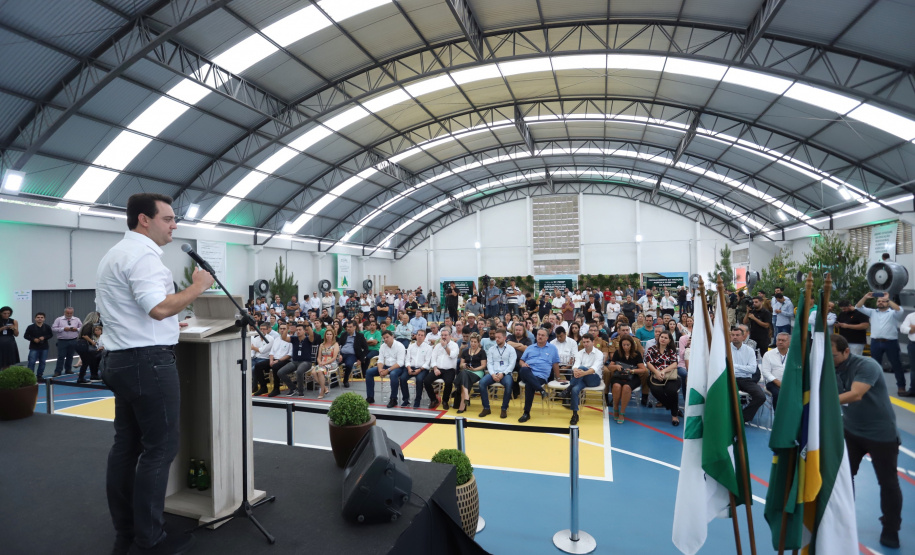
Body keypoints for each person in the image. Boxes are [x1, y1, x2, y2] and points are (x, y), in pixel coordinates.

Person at [96, 192, 214, 554]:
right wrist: (198, 287)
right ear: (144, 220)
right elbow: (158, 308)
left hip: (120, 360)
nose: (175, 225)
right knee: (160, 449)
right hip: (146, 364)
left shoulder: (116, 253)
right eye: (168, 218)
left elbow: (141, 313)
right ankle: (151, 538)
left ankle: (127, 531)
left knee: (126, 447)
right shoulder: (143, 256)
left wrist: (170, 324)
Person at [831, 334, 901, 549]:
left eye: (833, 356)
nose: (830, 360)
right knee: (843, 477)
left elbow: (856, 394)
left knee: (888, 483)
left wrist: (820, 399)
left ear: (846, 351)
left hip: (881, 434)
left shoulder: (866, 365)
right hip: (851, 430)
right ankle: (843, 518)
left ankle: (891, 528)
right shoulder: (830, 367)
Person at [855, 291, 906, 395]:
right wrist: (865, 297)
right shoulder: (872, 312)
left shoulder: (893, 313)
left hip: (890, 343)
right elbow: (858, 307)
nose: (880, 302)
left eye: (883, 301)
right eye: (879, 301)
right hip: (875, 342)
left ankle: (901, 387)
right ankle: (874, 386)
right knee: (874, 365)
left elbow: (900, 310)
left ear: (888, 303)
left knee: (896, 365)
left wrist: (888, 299)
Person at [517, 328, 560, 423]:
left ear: (547, 338)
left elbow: (555, 364)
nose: (540, 336)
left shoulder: (552, 348)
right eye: (538, 334)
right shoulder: (530, 348)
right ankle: (541, 390)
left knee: (529, 384)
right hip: (527, 372)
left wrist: (558, 378)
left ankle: (526, 413)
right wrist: (523, 364)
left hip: (541, 376)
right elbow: (521, 360)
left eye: (542, 335)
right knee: (523, 369)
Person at [729, 327, 766, 423]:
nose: (735, 337)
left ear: (743, 337)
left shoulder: (749, 350)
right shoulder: (725, 349)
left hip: (746, 379)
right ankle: (728, 417)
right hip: (730, 378)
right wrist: (743, 368)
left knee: (761, 396)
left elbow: (752, 369)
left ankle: (742, 417)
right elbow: (724, 367)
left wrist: (733, 366)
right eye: (733, 335)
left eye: (737, 335)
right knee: (725, 395)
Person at [645, 330, 681, 426]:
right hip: (655, 375)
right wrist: (657, 372)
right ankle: (674, 409)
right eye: (662, 337)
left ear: (669, 340)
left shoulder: (671, 351)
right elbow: (648, 363)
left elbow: (674, 364)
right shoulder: (651, 349)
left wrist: (663, 371)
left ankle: (674, 416)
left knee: (672, 391)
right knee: (656, 390)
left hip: (670, 376)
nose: (663, 339)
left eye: (666, 338)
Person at [567, 334, 604, 425]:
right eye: (584, 342)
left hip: (594, 379)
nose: (585, 344)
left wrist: (582, 372)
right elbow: (576, 365)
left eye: (588, 342)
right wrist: (576, 371)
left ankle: (568, 389)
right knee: (575, 390)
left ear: (593, 342)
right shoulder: (580, 353)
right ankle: (575, 414)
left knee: (582, 367)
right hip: (581, 378)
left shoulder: (599, 354)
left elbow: (594, 369)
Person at [480, 329, 516, 418]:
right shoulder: (491, 349)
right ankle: (486, 408)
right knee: (482, 383)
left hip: (506, 373)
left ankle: (504, 408)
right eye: (496, 337)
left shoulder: (511, 349)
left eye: (499, 337)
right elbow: (489, 363)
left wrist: (503, 374)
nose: (496, 339)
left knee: (509, 384)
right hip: (493, 373)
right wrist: (492, 374)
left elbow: (512, 364)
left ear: (505, 338)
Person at [361, 330, 403, 406]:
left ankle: (393, 399)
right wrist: (380, 370)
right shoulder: (383, 346)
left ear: (392, 336)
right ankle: (370, 397)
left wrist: (387, 370)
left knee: (393, 374)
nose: (386, 339)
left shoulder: (399, 346)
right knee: (369, 372)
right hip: (386, 366)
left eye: (387, 337)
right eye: (384, 338)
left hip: (397, 367)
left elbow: (400, 363)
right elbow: (380, 360)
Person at [276, 323, 316, 398]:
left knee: (299, 371)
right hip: (295, 362)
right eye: (297, 330)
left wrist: (308, 326)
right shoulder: (294, 338)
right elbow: (283, 338)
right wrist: (287, 328)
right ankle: (293, 388)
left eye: (300, 330)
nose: (298, 331)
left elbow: (311, 335)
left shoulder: (308, 339)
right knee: (280, 372)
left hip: (306, 362)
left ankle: (301, 391)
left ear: (304, 331)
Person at [424, 327, 459, 410]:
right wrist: (435, 368)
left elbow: (452, 355)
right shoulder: (437, 346)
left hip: (449, 370)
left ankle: (445, 401)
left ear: (450, 336)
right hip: (438, 368)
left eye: (445, 335)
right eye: (442, 335)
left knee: (448, 382)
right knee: (426, 381)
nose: (443, 337)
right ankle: (433, 399)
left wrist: (445, 346)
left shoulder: (454, 345)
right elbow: (433, 358)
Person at [454, 333, 487, 413]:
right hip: (466, 371)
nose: (473, 343)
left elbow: (483, 366)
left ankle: (463, 402)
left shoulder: (482, 352)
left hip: (477, 372)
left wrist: (474, 369)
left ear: (478, 343)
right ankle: (465, 398)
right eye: (471, 341)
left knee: (463, 375)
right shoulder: (465, 351)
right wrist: (464, 365)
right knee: (464, 374)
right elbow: (461, 365)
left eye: (475, 342)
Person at [404, 329, 432, 408]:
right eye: (418, 335)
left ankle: (417, 400)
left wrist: (419, 370)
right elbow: (407, 359)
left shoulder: (428, 348)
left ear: (424, 337)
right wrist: (409, 368)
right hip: (411, 367)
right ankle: (406, 400)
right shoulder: (411, 346)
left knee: (419, 380)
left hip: (423, 369)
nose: (420, 336)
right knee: (402, 378)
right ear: (416, 336)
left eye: (422, 335)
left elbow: (427, 362)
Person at [761, 332, 789, 409]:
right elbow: (766, 372)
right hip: (773, 383)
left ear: (789, 343)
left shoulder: (793, 355)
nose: (780, 342)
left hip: (789, 383)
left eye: (783, 340)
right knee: (778, 394)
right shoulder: (768, 354)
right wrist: (777, 382)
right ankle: (778, 414)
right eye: (779, 340)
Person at [51, 307, 82, 376]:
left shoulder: (77, 319)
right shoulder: (59, 319)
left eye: (71, 313)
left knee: (70, 356)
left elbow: (82, 328)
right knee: (61, 356)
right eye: (67, 313)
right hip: (62, 341)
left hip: (73, 340)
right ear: (64, 312)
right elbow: (53, 329)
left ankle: (68, 370)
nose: (69, 314)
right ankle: (58, 371)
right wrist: (63, 329)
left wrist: (76, 329)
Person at [337, 320, 368, 388]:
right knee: (333, 364)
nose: (348, 328)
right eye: (347, 327)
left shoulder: (359, 336)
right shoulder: (344, 334)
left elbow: (366, 348)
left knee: (348, 365)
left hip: (352, 355)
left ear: (354, 327)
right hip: (342, 354)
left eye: (350, 327)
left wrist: (361, 359)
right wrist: (339, 354)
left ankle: (345, 380)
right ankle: (335, 381)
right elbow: (338, 345)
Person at [24, 312, 53, 379]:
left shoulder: (47, 327)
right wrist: (33, 339)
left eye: (41, 317)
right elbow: (26, 336)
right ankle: (30, 376)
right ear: (35, 318)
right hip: (34, 347)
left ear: (44, 319)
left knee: (42, 362)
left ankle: (39, 376)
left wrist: (44, 337)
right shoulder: (30, 327)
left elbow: (51, 335)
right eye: (38, 317)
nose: (40, 319)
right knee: (31, 362)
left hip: (44, 347)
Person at [75, 319, 104, 383]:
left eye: (98, 330)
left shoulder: (103, 337)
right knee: (89, 359)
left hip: (99, 351)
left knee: (90, 359)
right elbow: (84, 335)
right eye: (96, 330)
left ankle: (91, 375)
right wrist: (92, 342)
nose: (97, 331)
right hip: (92, 350)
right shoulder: (90, 332)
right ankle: (90, 376)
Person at [0, 306, 20, 370]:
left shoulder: (14, 321)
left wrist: (14, 328)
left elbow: (16, 334)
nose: (6, 315)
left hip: (9, 341)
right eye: (4, 313)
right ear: (1, 313)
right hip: (1, 340)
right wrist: (2, 328)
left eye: (8, 313)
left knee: (7, 361)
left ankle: (5, 373)